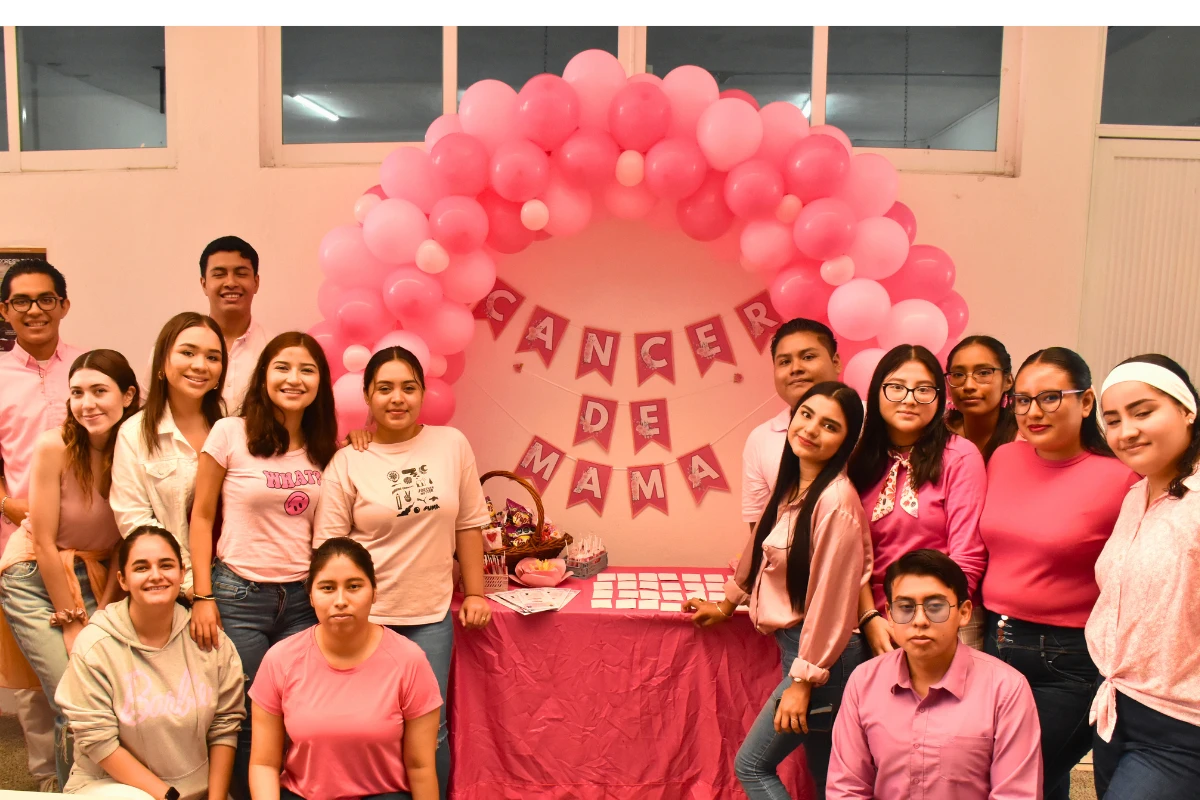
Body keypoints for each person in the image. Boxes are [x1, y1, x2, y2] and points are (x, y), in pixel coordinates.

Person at [313, 346, 491, 799]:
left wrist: (475, 593)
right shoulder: (349, 460)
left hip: (429, 616)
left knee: (429, 731)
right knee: (365, 728)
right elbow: (329, 550)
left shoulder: (452, 444)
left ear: (423, 393)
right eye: (385, 388)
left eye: (409, 387)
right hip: (365, 620)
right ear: (368, 396)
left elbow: (468, 524)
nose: (398, 398)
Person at [688, 382, 869, 800]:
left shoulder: (837, 502)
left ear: (845, 442)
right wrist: (727, 601)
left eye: (829, 425)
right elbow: (760, 545)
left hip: (823, 660)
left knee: (752, 766)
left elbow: (832, 600)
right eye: (806, 414)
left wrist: (803, 680)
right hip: (803, 651)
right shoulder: (794, 483)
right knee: (830, 781)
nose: (810, 429)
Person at [980, 346, 1138, 800]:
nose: (1033, 411)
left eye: (1050, 397)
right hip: (997, 642)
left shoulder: (1122, 478)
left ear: (1086, 402)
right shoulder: (1005, 459)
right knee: (1040, 785)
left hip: (1069, 660)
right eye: (1023, 399)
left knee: (1014, 781)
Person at [188, 332, 338, 800]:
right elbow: (202, 515)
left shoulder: (324, 446)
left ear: (321, 383)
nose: (294, 379)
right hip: (238, 596)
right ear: (264, 375)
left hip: (301, 601)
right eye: (283, 368)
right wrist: (202, 594)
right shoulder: (229, 432)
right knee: (247, 715)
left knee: (299, 712)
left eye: (307, 370)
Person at [0, 350, 140, 788]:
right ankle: (69, 792)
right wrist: (73, 620)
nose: (87, 404)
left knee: (108, 690)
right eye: (77, 393)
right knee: (73, 695)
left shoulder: (135, 446)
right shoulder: (55, 444)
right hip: (33, 574)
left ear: (129, 396)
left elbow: (125, 537)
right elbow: (42, 541)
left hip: (98, 573)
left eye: (100, 391)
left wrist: (107, 612)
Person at [827, 549, 1042, 800]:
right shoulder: (864, 682)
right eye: (905, 607)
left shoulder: (1006, 688)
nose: (919, 620)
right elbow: (847, 789)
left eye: (935, 606)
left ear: (964, 612)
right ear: (890, 614)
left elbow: (1016, 795)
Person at [55, 525, 245, 800]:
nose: (155, 575)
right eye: (141, 568)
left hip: (198, 792)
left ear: (182, 573)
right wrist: (169, 797)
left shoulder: (209, 639)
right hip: (114, 788)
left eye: (166, 565)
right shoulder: (95, 646)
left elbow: (224, 727)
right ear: (122, 580)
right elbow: (98, 742)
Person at [248, 537, 440, 800]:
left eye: (354, 586)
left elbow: (421, 766)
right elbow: (264, 765)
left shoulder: (409, 660)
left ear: (374, 592)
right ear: (311, 597)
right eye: (327, 588)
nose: (340, 600)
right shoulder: (280, 660)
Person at [1090, 354, 1200, 799]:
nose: (1126, 431)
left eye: (1143, 411)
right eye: (1112, 420)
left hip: (1181, 727)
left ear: (1186, 409)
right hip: (1116, 707)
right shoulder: (1136, 493)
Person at [0, 258, 82, 791]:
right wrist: (11, 505)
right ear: (5, 310)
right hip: (19, 547)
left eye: (46, 299)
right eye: (22, 301)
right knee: (31, 682)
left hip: (87, 548)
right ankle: (44, 782)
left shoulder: (90, 368)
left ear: (64, 305)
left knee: (86, 671)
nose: (35, 309)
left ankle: (86, 780)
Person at [848, 344, 987, 654]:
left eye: (924, 389)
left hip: (946, 621)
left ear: (939, 398)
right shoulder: (859, 461)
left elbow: (968, 556)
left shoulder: (959, 456)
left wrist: (923, 620)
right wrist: (870, 616)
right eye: (896, 387)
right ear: (877, 391)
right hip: (877, 624)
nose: (909, 399)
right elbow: (853, 556)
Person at [111, 312, 227, 596]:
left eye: (213, 357)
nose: (200, 365)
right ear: (163, 360)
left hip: (239, 584)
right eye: (188, 352)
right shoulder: (134, 433)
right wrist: (193, 587)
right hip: (172, 588)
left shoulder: (231, 423)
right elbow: (135, 521)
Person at [742, 319, 843, 532]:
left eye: (808, 357)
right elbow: (760, 528)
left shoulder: (872, 419)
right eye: (784, 362)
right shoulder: (761, 438)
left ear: (836, 362)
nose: (796, 369)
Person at [198, 236, 267, 414]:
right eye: (219, 274)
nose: (230, 283)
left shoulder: (273, 349)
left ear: (256, 283)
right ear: (204, 284)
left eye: (241, 273)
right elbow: (148, 408)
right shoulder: (175, 347)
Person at [943, 335, 1019, 462]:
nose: (969, 386)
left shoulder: (1025, 441)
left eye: (983, 373)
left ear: (1008, 381)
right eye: (958, 374)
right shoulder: (938, 438)